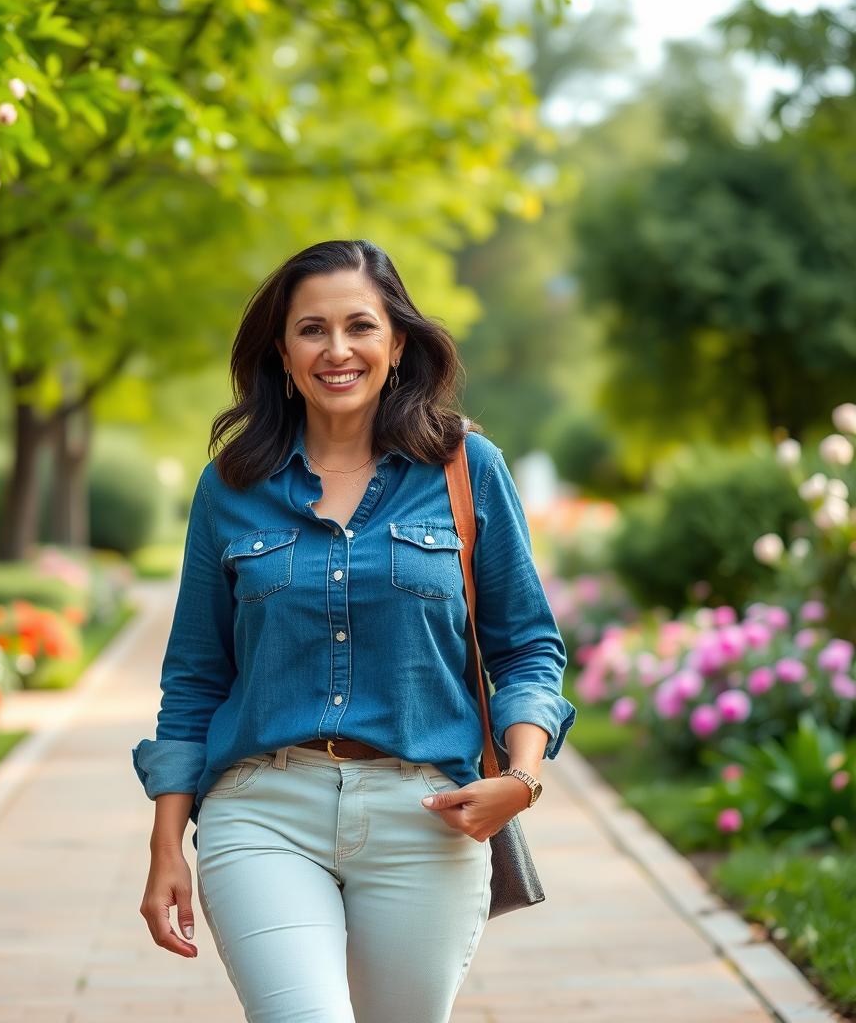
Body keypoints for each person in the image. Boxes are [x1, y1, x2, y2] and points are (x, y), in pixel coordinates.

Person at [131, 238, 576, 1023]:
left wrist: (522, 776)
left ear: (397, 342)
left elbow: (527, 647)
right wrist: (167, 844)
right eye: (311, 329)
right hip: (263, 807)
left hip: (426, 816)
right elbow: (196, 677)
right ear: (283, 350)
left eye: (359, 326)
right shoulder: (232, 486)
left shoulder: (467, 468)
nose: (337, 350)